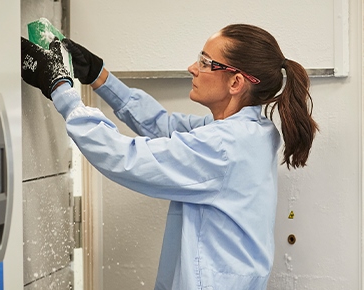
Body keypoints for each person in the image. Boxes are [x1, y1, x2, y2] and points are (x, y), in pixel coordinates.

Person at [21, 23, 318, 290]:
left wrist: (61, 87)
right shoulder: (250, 131)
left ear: (236, 83)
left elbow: (124, 157)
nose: (192, 67)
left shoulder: (225, 146)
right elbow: (163, 126)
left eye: (205, 62)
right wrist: (99, 76)